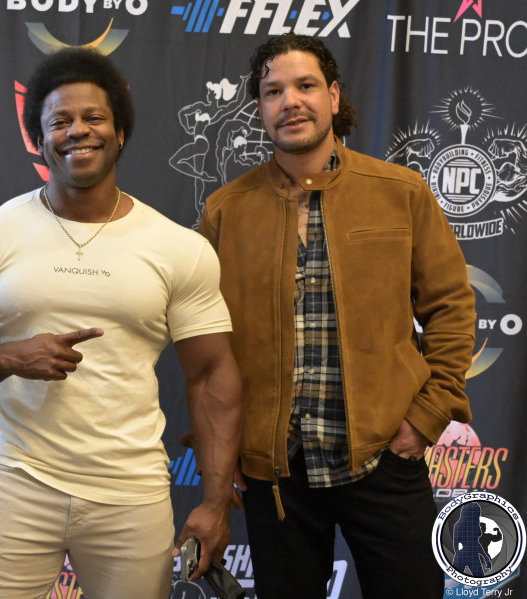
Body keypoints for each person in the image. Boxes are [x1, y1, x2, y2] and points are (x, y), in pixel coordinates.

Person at [0, 48, 243, 599]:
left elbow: (212, 373)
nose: (78, 131)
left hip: (132, 492)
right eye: (60, 121)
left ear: (120, 132)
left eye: (94, 117)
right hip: (18, 482)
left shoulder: (178, 247)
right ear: (38, 139)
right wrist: (9, 355)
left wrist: (214, 504)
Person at [199, 34, 476, 599]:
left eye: (305, 85)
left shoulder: (401, 192)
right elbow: (204, 346)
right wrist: (222, 451)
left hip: (384, 457)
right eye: (273, 91)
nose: (290, 101)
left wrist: (426, 417)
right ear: (260, 108)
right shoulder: (226, 210)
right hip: (276, 474)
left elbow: (451, 308)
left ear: (332, 95)